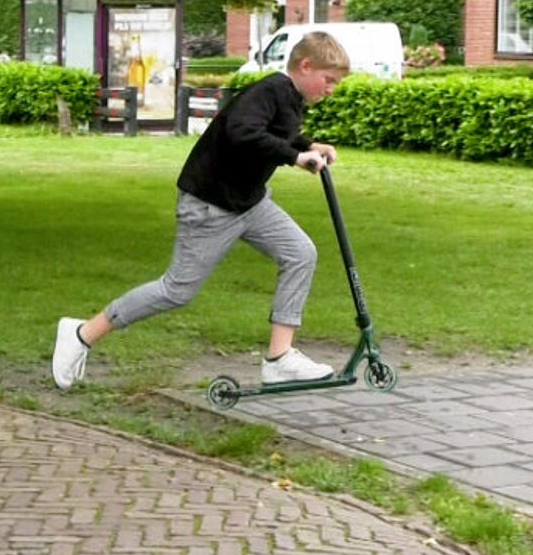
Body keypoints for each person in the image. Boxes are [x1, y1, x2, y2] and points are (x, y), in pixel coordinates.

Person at [52, 32, 349, 390]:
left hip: (249, 202)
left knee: (300, 253)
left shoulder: (288, 97)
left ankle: (279, 357)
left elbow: (277, 133)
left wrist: (306, 145)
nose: (331, 89)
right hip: (210, 206)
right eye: (329, 80)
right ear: (305, 66)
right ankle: (81, 333)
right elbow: (242, 132)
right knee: (176, 290)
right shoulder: (269, 90)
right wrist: (295, 156)